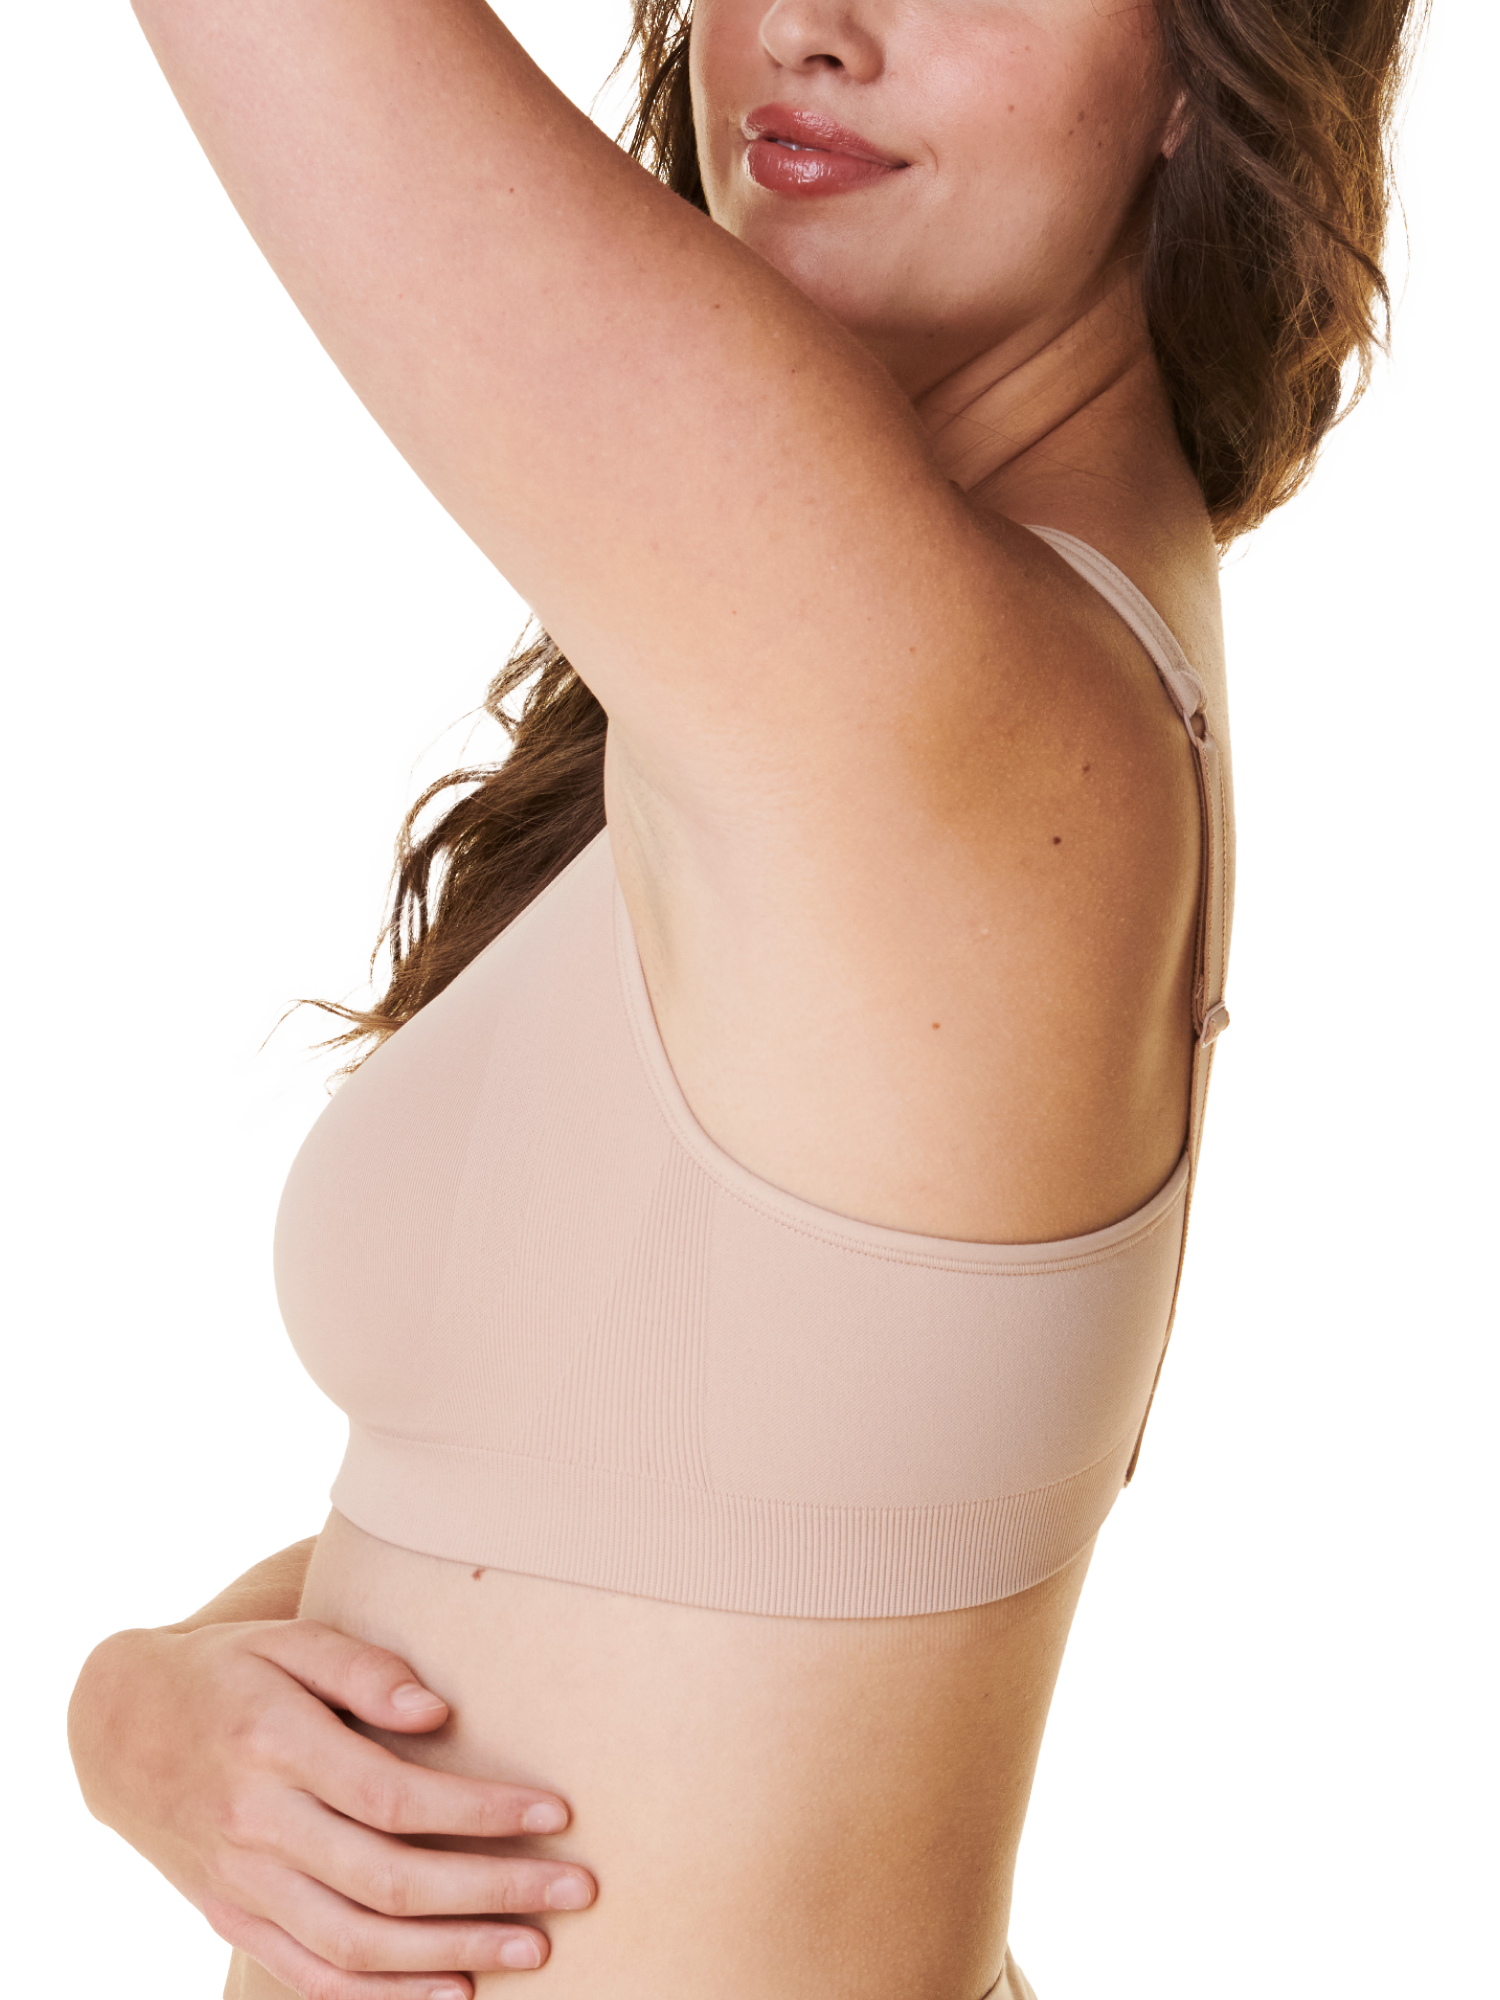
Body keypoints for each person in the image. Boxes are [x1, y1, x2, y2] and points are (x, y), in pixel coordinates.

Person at [66, 2, 1423, 1996]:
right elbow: (645, 1518)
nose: (809, 25)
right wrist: (149, 1701)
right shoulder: (964, 686)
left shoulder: (949, 697)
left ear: (1203, 71)